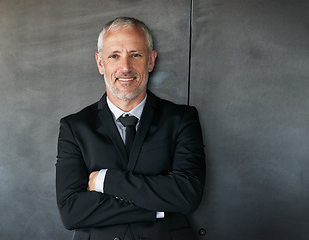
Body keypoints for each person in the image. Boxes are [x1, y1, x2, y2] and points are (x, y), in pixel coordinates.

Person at [56, 17, 205, 240]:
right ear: (100, 63)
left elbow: (187, 195)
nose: (125, 67)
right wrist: (159, 206)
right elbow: (71, 211)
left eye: (135, 55)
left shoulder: (182, 119)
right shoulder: (74, 127)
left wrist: (105, 181)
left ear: (151, 61)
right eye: (114, 56)